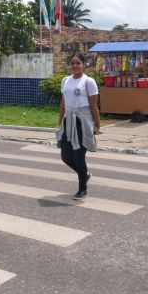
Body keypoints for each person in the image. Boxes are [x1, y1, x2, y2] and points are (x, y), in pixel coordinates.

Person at [56, 53, 101, 200]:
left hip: (82, 121)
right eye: (73, 63)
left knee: (78, 156)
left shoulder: (88, 82)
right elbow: (63, 103)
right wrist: (60, 122)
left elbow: (94, 106)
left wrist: (97, 125)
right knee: (65, 156)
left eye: (78, 63)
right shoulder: (65, 81)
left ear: (84, 64)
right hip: (68, 119)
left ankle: (83, 189)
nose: (75, 66)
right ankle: (85, 174)